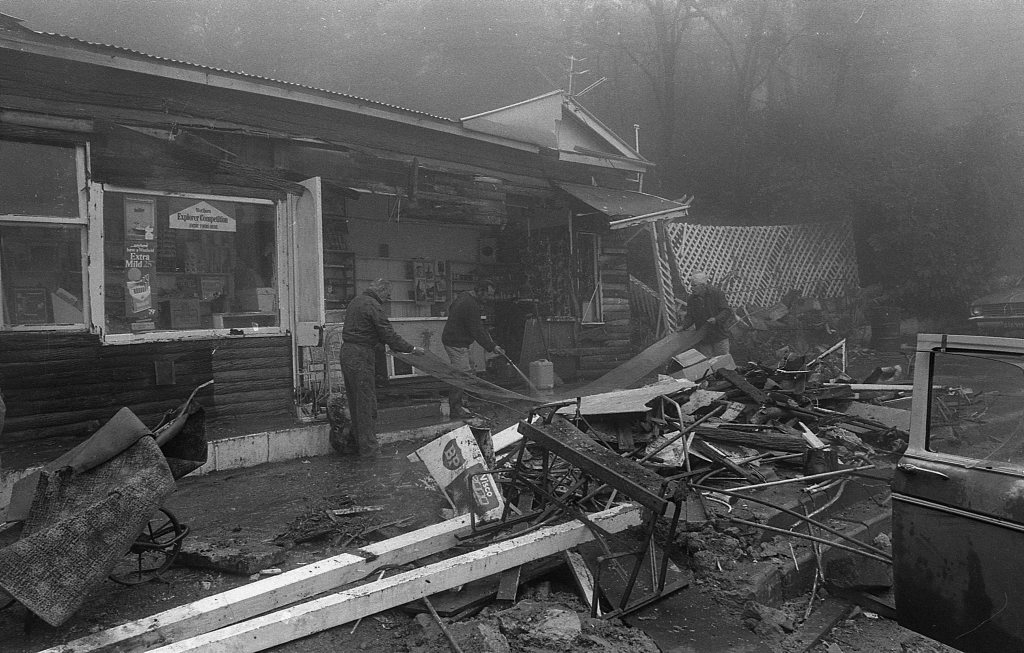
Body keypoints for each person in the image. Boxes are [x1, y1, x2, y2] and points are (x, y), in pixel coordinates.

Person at [339, 279, 424, 457]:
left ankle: (359, 444)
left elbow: (364, 329)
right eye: (387, 294)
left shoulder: (356, 301)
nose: (386, 298)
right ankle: (370, 450)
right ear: (381, 291)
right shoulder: (373, 305)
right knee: (366, 403)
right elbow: (388, 334)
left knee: (355, 401)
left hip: (347, 352)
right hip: (361, 355)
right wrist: (412, 349)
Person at [442, 279, 505, 418]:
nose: (489, 298)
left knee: (470, 368)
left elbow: (453, 310)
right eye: (488, 295)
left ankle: (467, 400)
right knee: (461, 374)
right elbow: (477, 330)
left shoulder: (464, 296)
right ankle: (455, 408)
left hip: (457, 340)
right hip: (455, 342)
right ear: (480, 291)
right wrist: (492, 346)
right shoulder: (471, 305)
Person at [679, 271, 734, 357]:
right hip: (703, 337)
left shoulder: (716, 293)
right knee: (706, 363)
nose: (691, 288)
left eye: (694, 286)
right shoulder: (691, 299)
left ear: (703, 285)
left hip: (719, 335)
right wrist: (683, 326)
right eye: (691, 285)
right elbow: (690, 316)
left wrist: (716, 319)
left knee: (723, 360)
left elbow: (726, 311)